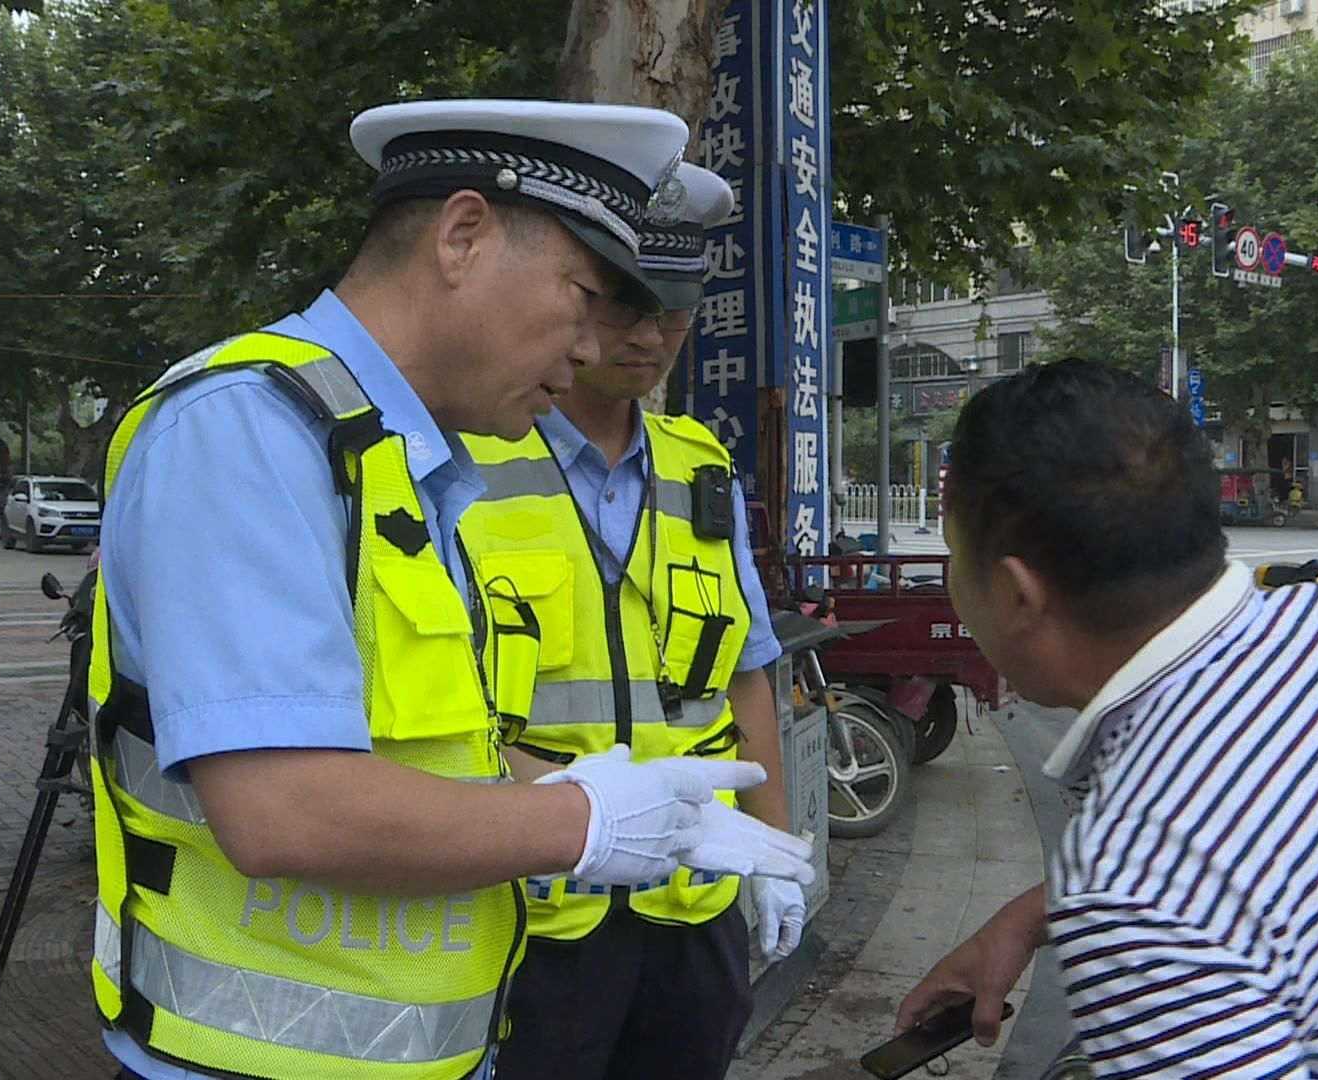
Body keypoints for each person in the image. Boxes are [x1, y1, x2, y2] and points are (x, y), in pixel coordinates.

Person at [89, 100, 816, 1080]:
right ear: (463, 236)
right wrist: (582, 822)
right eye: (582, 293)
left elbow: (426, 757)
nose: (590, 343)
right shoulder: (246, 429)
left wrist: (657, 813)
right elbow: (278, 808)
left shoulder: (401, 465)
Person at [896, 360, 1318, 1076]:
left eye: (952, 555)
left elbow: (1172, 875)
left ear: (1015, 595)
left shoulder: (1132, 897)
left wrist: (1095, 908)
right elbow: (1277, 842)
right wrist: (1031, 918)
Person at [457, 162, 797, 1080]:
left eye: (674, 313)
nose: (652, 337)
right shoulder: (466, 461)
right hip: (537, 902)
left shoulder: (703, 467)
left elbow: (747, 667)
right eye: (625, 308)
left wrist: (775, 849)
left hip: (692, 906)